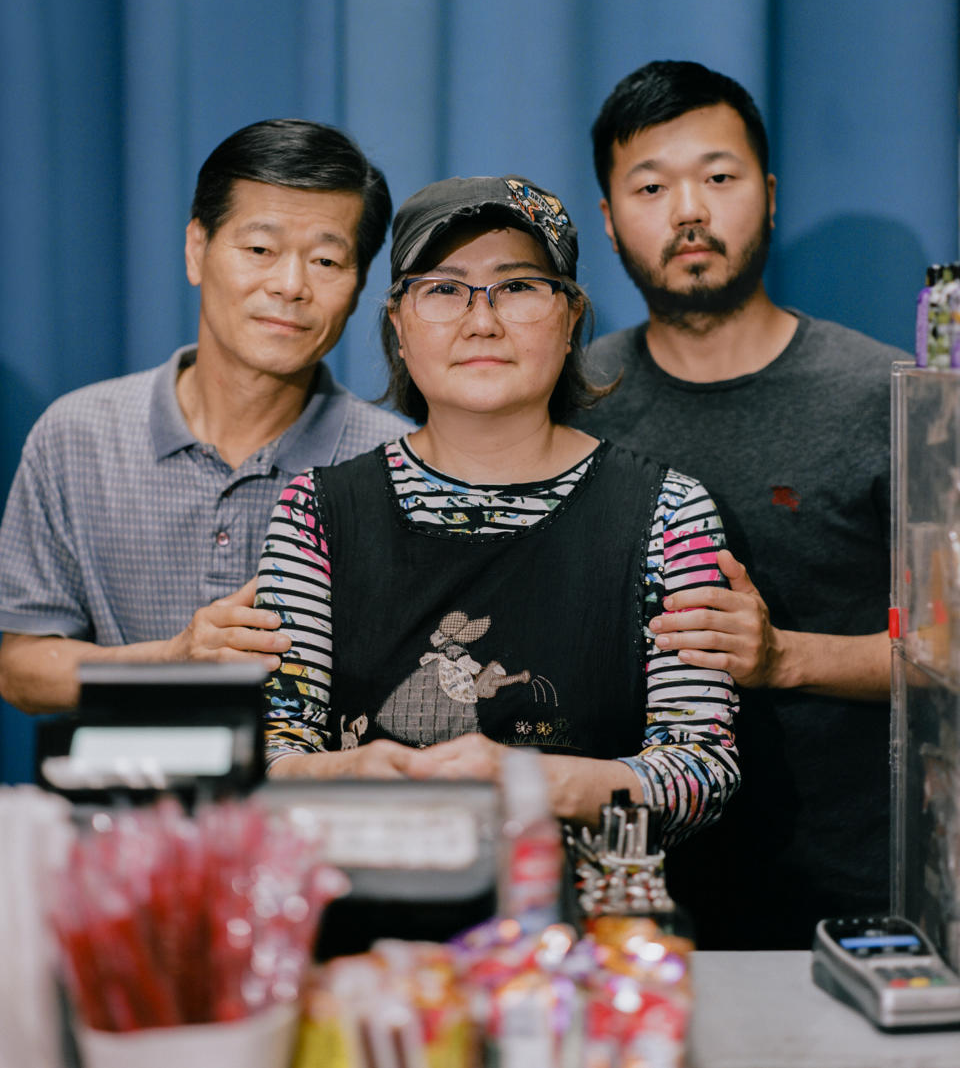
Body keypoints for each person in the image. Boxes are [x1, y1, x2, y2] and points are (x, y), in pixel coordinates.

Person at [256, 173, 740, 835]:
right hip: (369, 918)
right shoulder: (317, 513)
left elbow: (703, 771)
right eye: (444, 290)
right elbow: (269, 755)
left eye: (517, 287)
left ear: (571, 318)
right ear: (398, 325)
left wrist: (538, 783)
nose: (482, 321)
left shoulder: (669, 513)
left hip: (590, 926)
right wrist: (359, 774)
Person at [574, 59, 905, 946]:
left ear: (766, 191)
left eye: (718, 178)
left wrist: (785, 655)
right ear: (608, 221)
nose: (689, 210)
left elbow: (952, 651)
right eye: (651, 185)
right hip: (625, 897)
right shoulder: (570, 401)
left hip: (857, 896)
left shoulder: (886, 394)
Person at [0, 119, 411, 714]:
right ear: (198, 250)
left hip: (324, 801)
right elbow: (19, 668)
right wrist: (171, 661)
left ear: (360, 285)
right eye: (260, 250)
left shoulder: (397, 466)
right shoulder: (77, 435)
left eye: (326, 261)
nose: (291, 285)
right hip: (133, 801)